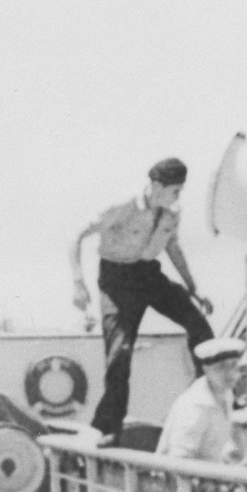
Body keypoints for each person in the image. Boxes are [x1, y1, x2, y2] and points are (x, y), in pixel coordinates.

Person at [70, 157, 215, 442]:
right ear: (156, 186)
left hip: (148, 275)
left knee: (199, 326)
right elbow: (76, 236)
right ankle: (108, 427)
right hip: (117, 281)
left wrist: (193, 288)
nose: (178, 197)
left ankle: (209, 400)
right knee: (119, 354)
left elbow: (173, 247)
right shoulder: (122, 206)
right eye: (175, 190)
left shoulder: (172, 212)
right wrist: (78, 283)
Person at [156, 337, 246, 462]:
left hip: (206, 474)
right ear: (206, 369)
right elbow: (178, 459)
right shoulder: (196, 405)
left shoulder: (225, 393)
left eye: (233, 365)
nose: (230, 373)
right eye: (221, 367)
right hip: (179, 477)